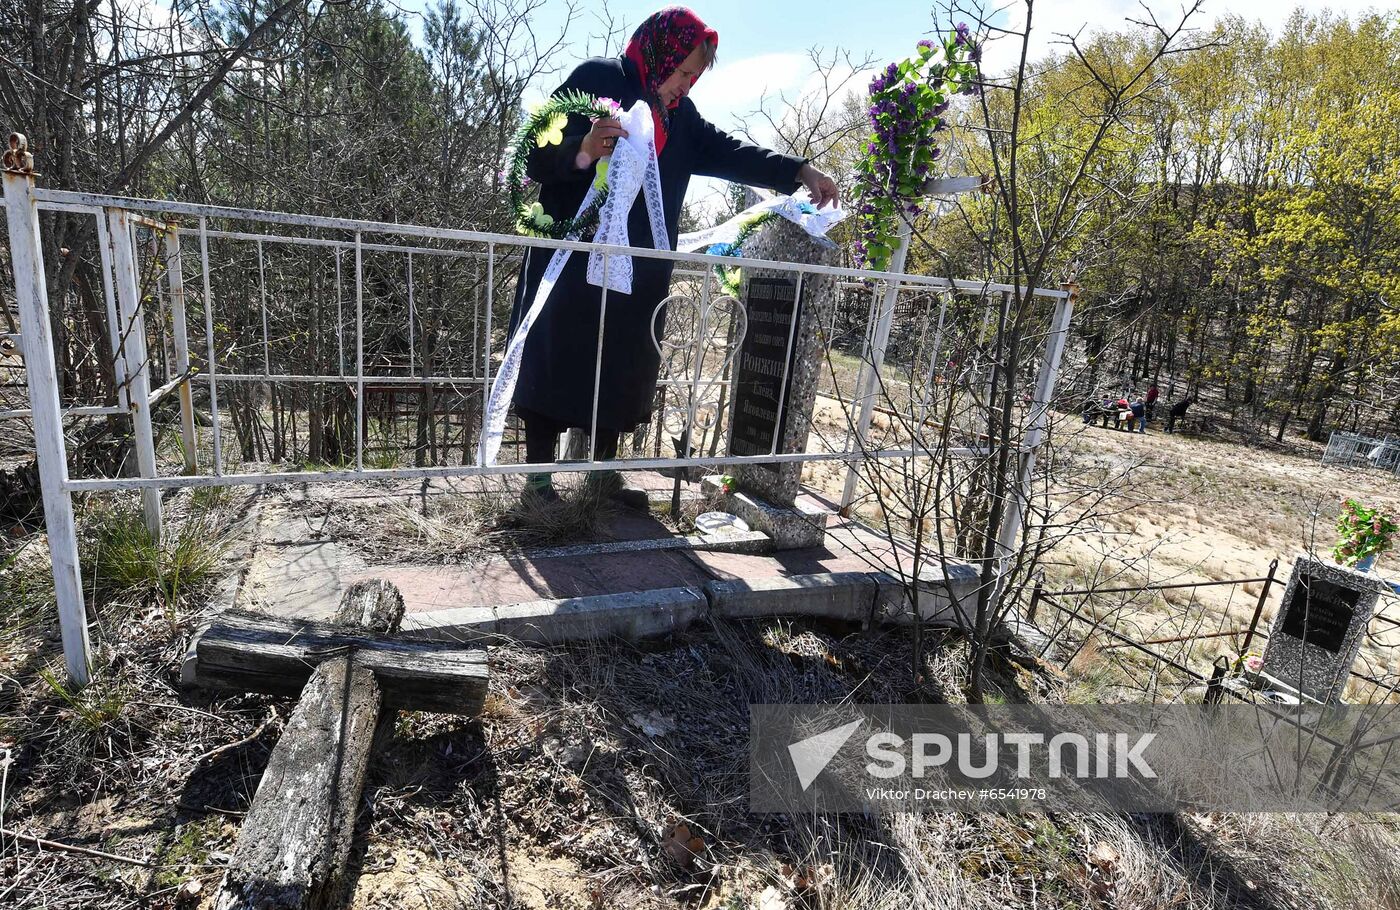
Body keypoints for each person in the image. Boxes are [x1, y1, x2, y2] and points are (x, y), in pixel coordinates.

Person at [508, 7, 839, 509]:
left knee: (622, 360)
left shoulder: (679, 119)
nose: (686, 85)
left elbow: (731, 152)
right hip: (574, 256)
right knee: (559, 354)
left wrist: (798, 171)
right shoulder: (598, 80)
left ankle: (600, 474)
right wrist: (584, 148)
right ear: (660, 53)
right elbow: (535, 151)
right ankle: (538, 482)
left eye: (694, 77)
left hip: (638, 266)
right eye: (683, 72)